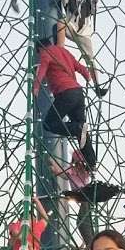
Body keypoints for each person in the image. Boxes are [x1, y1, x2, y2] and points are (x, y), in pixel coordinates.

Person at [34, 27, 99, 169]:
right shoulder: (64, 52)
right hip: (78, 93)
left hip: (65, 93)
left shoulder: (45, 52)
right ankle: (91, 162)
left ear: (40, 48)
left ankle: (76, 127)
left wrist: (36, 87)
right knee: (82, 134)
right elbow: (81, 67)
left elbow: (43, 68)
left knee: (49, 123)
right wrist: (88, 77)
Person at [58, 0, 106, 91]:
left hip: (84, 32)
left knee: (90, 59)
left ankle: (97, 86)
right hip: (71, 27)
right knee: (61, 22)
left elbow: (92, 11)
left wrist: (95, 2)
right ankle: (60, 51)